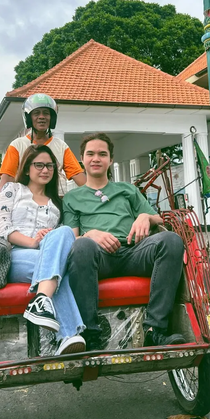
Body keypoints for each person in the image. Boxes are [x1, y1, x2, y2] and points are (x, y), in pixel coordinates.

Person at [63, 133, 186, 351]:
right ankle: (90, 336)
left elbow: (157, 218)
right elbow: (71, 240)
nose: (96, 158)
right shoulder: (73, 198)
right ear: (82, 159)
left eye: (102, 154)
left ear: (110, 160)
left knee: (171, 240)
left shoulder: (127, 189)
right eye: (90, 154)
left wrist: (145, 217)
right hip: (97, 258)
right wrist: (90, 234)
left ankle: (154, 330)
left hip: (133, 252)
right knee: (81, 246)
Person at [0, 144, 86, 355]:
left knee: (63, 233)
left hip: (47, 254)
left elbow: (60, 242)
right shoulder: (13, 190)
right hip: (15, 255)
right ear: (27, 168)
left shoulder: (57, 204)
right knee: (55, 271)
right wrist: (33, 242)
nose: (45, 170)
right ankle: (70, 335)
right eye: (39, 165)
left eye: (50, 166)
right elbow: (1, 228)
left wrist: (48, 237)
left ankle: (42, 301)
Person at [0, 93, 86, 194]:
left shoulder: (61, 146)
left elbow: (77, 175)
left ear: (52, 118)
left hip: (56, 200)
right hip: (26, 201)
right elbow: (7, 177)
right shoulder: (17, 145)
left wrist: (96, 195)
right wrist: (3, 200)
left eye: (46, 113)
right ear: (29, 117)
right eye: (36, 113)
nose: (41, 117)